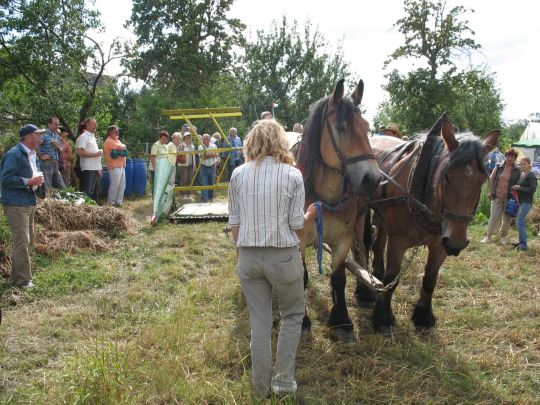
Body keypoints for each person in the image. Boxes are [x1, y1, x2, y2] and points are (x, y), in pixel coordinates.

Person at [228, 119, 314, 398]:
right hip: (283, 258)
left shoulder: (238, 174)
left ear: (251, 142)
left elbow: (235, 227)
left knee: (259, 323)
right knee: (291, 315)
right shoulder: (293, 175)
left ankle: (260, 387)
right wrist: (311, 216)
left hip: (249, 258)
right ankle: (283, 381)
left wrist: (241, 256)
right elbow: (296, 226)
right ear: (281, 142)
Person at [0, 124, 45, 288]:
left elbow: (32, 174)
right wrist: (29, 182)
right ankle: (24, 280)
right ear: (28, 138)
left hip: (28, 201)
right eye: (37, 135)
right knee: (22, 241)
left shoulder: (32, 155)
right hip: (15, 203)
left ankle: (17, 275)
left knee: (29, 240)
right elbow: (5, 178)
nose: (41, 138)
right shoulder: (14, 154)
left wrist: (36, 183)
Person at [481, 148, 521, 244]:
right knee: (494, 217)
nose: (509, 158)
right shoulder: (499, 166)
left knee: (507, 219)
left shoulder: (517, 170)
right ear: (505, 156)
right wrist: (490, 191)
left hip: (509, 199)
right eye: (508, 156)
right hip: (497, 196)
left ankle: (503, 236)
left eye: (512, 156)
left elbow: (519, 183)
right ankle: (488, 236)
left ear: (515, 158)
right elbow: (491, 179)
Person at [511, 157, 538, 251]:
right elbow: (520, 187)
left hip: (526, 202)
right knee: (520, 222)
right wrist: (515, 188)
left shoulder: (531, 175)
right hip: (521, 202)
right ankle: (521, 242)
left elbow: (532, 189)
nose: (522, 165)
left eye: (524, 164)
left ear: (529, 165)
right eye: (520, 164)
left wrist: (519, 188)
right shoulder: (522, 174)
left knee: (519, 222)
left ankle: (523, 245)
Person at [76, 118, 103, 200]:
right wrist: (96, 154)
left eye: (96, 124)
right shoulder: (84, 137)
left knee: (94, 193)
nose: (95, 126)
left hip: (94, 168)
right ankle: (86, 210)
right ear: (87, 125)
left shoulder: (92, 137)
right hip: (88, 169)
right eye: (93, 124)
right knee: (87, 193)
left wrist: (99, 169)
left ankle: (92, 210)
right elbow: (80, 152)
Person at [38, 116, 65, 193]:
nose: (57, 126)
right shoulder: (43, 135)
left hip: (55, 163)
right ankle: (47, 203)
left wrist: (57, 147)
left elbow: (60, 152)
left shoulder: (57, 136)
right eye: (55, 124)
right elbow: (34, 146)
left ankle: (63, 201)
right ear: (49, 124)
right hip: (46, 164)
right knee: (47, 188)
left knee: (63, 187)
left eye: (58, 124)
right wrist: (41, 156)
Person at [103, 125, 127, 207]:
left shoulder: (117, 140)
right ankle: (111, 202)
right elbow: (121, 147)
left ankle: (119, 202)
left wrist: (122, 149)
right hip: (114, 167)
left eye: (118, 131)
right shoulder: (108, 141)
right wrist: (123, 147)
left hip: (121, 166)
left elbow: (124, 151)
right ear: (110, 132)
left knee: (122, 185)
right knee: (114, 185)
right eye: (115, 131)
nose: (117, 132)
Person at [198, 134, 218, 203]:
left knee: (211, 183)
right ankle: (204, 199)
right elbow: (202, 156)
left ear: (209, 140)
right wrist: (211, 154)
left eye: (205, 139)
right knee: (204, 183)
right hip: (203, 167)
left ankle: (210, 197)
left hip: (212, 167)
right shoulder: (200, 147)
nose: (203, 140)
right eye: (203, 139)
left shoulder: (214, 146)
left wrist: (207, 155)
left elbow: (216, 155)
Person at [178, 132, 196, 196]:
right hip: (183, 165)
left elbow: (193, 156)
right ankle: (183, 195)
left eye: (189, 137)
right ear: (184, 138)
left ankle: (189, 194)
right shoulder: (181, 145)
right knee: (183, 180)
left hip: (191, 165)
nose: (188, 139)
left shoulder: (193, 146)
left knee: (190, 180)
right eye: (186, 137)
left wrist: (194, 165)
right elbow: (178, 155)